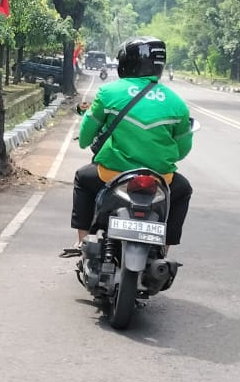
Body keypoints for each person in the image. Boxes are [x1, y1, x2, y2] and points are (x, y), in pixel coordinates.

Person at [72, 36, 193, 252]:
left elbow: (84, 140)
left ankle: (82, 241)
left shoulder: (109, 93)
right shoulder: (177, 103)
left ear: (126, 63)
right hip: (160, 179)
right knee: (183, 190)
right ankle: (164, 247)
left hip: (112, 175)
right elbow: (182, 151)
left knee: (83, 178)